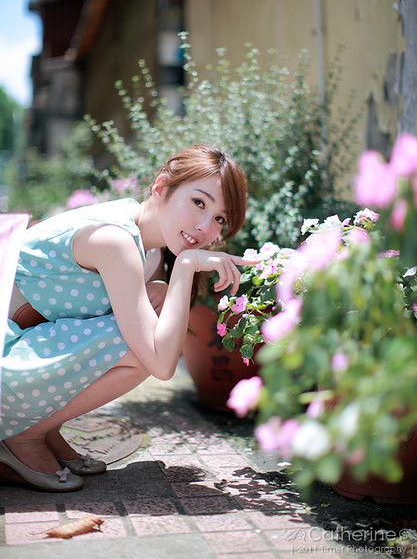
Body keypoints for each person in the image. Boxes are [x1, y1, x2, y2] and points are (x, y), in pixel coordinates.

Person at [0, 144, 258, 492]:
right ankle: (23, 435)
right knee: (140, 348)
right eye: (199, 202)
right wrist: (184, 268)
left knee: (148, 324)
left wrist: (164, 286)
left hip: (18, 355)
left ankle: (44, 429)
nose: (204, 227)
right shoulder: (116, 240)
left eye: (219, 219)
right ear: (161, 186)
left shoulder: (149, 250)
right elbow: (160, 363)